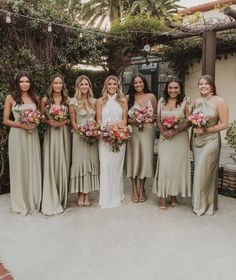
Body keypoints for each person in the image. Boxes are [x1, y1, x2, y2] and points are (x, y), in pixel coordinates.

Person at [3, 72, 42, 215]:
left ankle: (32, 198)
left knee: (31, 165)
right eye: (22, 81)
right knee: (19, 166)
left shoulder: (35, 98)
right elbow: (5, 120)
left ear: (30, 83)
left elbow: (39, 116)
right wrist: (21, 125)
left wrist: (35, 122)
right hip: (17, 135)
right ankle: (21, 202)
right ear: (17, 83)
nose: (24, 84)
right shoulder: (10, 98)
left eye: (27, 81)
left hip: (32, 135)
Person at [192, 74, 229, 216]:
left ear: (212, 86)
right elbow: (193, 123)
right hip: (197, 141)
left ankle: (204, 206)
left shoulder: (220, 101)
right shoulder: (196, 102)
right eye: (200, 84)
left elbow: (224, 124)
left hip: (211, 140)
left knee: (204, 172)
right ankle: (203, 203)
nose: (203, 86)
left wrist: (206, 129)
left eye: (206, 84)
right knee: (199, 172)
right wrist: (192, 139)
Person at [152, 77, 191, 209]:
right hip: (165, 139)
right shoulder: (161, 101)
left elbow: (189, 121)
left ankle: (174, 195)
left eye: (176, 88)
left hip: (179, 139)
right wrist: (162, 131)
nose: (173, 90)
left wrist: (175, 131)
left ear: (180, 89)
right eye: (170, 88)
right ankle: (162, 196)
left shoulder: (186, 102)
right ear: (166, 89)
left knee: (176, 167)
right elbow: (158, 119)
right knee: (165, 166)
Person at [41, 74, 71, 215]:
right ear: (51, 85)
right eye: (55, 83)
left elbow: (71, 119)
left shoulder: (67, 100)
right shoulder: (45, 100)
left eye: (60, 83)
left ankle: (62, 196)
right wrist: (49, 122)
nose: (58, 85)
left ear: (63, 84)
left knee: (63, 163)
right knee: (52, 163)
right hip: (51, 134)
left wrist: (63, 121)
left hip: (64, 134)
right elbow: (40, 118)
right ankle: (51, 196)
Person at [96, 75, 128, 208]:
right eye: (109, 84)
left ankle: (117, 194)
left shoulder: (123, 100)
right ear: (106, 86)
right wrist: (104, 130)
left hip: (119, 138)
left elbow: (125, 119)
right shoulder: (100, 101)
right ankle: (106, 197)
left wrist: (119, 132)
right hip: (104, 138)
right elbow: (98, 119)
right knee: (106, 166)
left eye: (114, 84)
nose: (112, 86)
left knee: (117, 167)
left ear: (118, 86)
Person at [126, 74, 157, 203]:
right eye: (136, 83)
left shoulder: (151, 96)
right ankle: (133, 188)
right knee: (133, 159)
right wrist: (135, 119)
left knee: (144, 158)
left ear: (144, 83)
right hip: (133, 132)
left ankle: (141, 187)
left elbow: (155, 115)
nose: (138, 85)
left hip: (147, 131)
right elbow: (124, 118)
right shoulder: (127, 98)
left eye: (140, 82)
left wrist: (148, 118)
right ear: (132, 85)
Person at [69, 75, 99, 207]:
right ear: (78, 86)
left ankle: (88, 194)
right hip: (79, 137)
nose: (84, 87)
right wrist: (82, 133)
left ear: (89, 86)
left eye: (86, 84)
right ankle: (80, 193)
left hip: (92, 139)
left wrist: (93, 133)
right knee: (80, 163)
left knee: (90, 163)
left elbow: (97, 121)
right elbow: (73, 122)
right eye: (82, 84)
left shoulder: (94, 101)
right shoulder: (72, 101)